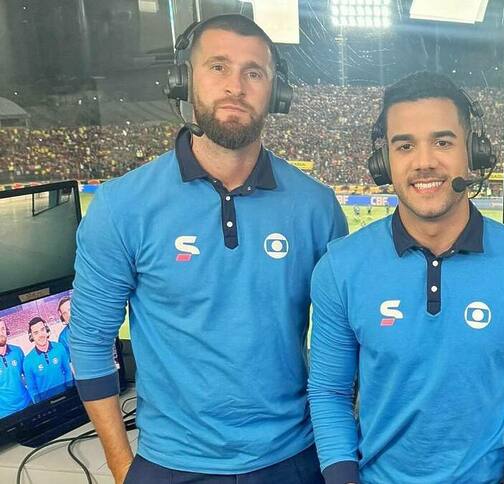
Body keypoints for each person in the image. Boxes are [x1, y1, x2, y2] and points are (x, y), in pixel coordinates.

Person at [71, 14, 346, 484]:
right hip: (169, 464)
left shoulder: (316, 206)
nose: (235, 86)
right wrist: (122, 469)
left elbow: (350, 337)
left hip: (295, 457)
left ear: (276, 93)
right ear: (183, 80)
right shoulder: (122, 206)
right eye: (217, 67)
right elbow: (90, 343)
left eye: (253, 72)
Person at [308, 72, 504, 484]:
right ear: (385, 161)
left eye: (443, 142)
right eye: (405, 145)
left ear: (474, 155)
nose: (424, 161)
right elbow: (329, 393)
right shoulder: (340, 268)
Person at [23, 317, 73, 403]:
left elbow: (68, 371)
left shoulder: (59, 347)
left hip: (66, 397)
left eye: (42, 330)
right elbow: (32, 388)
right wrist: (41, 405)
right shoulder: (27, 361)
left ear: (46, 330)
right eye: (36, 333)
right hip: (47, 404)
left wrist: (70, 391)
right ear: (32, 336)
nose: (40, 335)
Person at [0, 319, 31, 418]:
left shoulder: (17, 351)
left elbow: (28, 376)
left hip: (27, 404)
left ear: (7, 330)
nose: (1, 333)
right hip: (5, 413)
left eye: (2, 329)